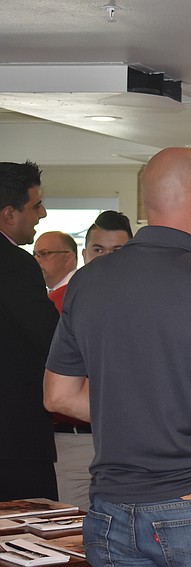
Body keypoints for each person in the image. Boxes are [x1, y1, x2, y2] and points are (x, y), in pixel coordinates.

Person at [43, 147, 191, 566]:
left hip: (110, 510)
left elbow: (58, 397)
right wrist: (187, 414)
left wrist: (140, 413)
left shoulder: (87, 283)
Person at [51, 210, 133, 510]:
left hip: (131, 442)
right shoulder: (55, 304)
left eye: (117, 251)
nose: (105, 258)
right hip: (73, 440)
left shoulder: (148, 303)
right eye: (98, 250)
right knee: (70, 542)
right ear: (84, 253)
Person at [0, 160, 59, 501]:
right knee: (30, 540)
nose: (44, 214)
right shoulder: (15, 264)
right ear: (9, 213)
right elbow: (51, 337)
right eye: (36, 205)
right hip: (14, 437)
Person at [34, 230, 77, 295]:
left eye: (44, 253)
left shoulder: (79, 290)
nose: (36, 260)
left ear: (68, 258)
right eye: (34, 254)